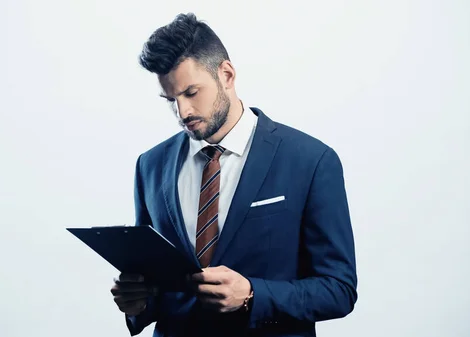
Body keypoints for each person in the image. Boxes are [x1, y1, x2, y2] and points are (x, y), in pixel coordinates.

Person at [110, 12, 357, 337]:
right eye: (171, 100)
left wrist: (254, 295)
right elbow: (156, 280)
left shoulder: (310, 160)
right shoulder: (150, 166)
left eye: (191, 93)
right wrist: (138, 303)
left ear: (226, 74)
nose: (183, 112)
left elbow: (338, 289)